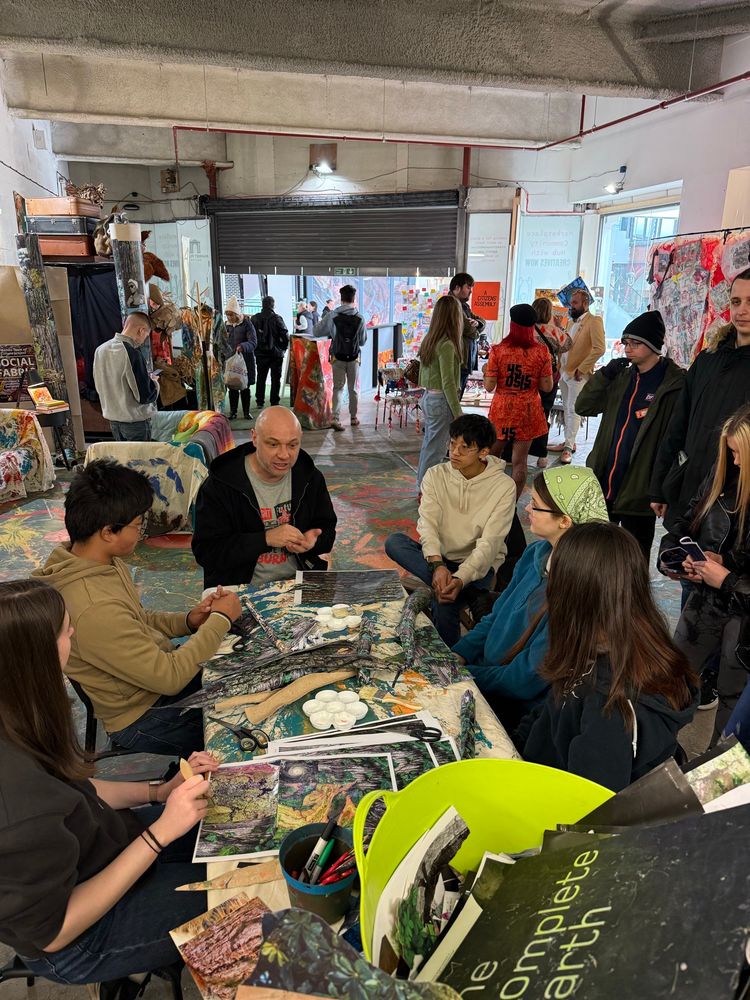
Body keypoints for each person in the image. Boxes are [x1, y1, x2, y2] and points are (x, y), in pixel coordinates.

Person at [0, 578, 216, 984]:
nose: (73, 633)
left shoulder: (20, 714)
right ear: (35, 655)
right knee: (249, 900)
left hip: (102, 847)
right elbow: (54, 932)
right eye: (65, 631)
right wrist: (160, 834)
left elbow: (76, 788)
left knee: (226, 825)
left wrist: (160, 791)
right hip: (79, 938)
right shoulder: (15, 802)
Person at [33, 461, 242, 757]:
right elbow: (169, 678)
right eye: (138, 524)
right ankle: (181, 776)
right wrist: (220, 619)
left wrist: (189, 620)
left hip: (153, 680)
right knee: (242, 728)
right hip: (143, 715)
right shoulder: (93, 606)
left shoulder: (96, 561)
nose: (142, 532)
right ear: (108, 531)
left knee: (245, 671)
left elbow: (137, 618)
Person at [519, 522, 698, 792]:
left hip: (559, 799)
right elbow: (549, 711)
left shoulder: (609, 706)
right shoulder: (615, 646)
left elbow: (587, 804)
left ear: (570, 594)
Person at [453, 466, 608, 733]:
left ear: (564, 521)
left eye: (535, 505)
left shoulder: (579, 590)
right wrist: (460, 653)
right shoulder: (536, 552)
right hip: (487, 677)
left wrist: (464, 675)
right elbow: (495, 616)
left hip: (516, 709)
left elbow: (523, 681)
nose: (526, 509)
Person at [385, 414, 517, 647]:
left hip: (479, 565)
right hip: (441, 558)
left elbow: (490, 543)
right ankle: (466, 593)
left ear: (484, 452)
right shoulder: (436, 475)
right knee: (394, 542)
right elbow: (428, 523)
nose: (454, 452)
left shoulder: (503, 486)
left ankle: (451, 655)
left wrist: (460, 578)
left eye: (465, 447)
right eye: (452, 443)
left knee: (444, 600)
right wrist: (437, 565)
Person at [659, 405, 750, 732]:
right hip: (705, 600)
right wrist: (674, 558)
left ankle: (721, 758)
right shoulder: (723, 473)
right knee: (672, 677)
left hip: (744, 615)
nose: (734, 462)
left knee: (733, 699)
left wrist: (728, 579)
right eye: (730, 452)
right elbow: (685, 522)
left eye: (739, 454)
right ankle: (652, 745)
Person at [576, 310, 685, 563]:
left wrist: (661, 489)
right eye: (626, 343)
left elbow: (676, 440)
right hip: (603, 483)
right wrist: (604, 376)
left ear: (653, 346)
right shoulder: (621, 377)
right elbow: (583, 407)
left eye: (635, 343)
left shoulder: (673, 386)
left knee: (634, 560)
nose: (628, 349)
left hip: (639, 490)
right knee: (596, 559)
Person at [192, 406, 337, 589]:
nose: (284, 455)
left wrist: (314, 541)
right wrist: (265, 539)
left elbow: (327, 531)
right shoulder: (220, 485)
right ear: (254, 438)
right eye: (273, 444)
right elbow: (207, 552)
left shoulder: (310, 478)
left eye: (292, 445)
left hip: (300, 582)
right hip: (240, 588)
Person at [650, 268, 750, 532]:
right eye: (736, 301)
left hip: (736, 506)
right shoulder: (708, 359)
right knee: (681, 555)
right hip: (688, 489)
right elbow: (678, 424)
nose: (742, 310)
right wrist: (660, 486)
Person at [483, 303, 553, 498]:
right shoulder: (541, 352)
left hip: (502, 410)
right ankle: (510, 504)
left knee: (491, 458)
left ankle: (488, 499)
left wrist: (486, 372)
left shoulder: (498, 350)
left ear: (512, 324)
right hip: (527, 411)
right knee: (520, 462)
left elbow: (489, 386)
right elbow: (547, 386)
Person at [548, 288, 606, 464]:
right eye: (570, 302)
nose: (571, 306)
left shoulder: (594, 321)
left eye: (575, 303)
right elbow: (567, 343)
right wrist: (559, 328)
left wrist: (583, 368)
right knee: (566, 408)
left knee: (573, 409)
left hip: (578, 374)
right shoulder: (571, 322)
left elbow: (600, 348)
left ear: (585, 304)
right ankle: (568, 442)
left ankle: (568, 447)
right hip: (565, 371)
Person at [416, 295, 464, 489]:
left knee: (429, 446)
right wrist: (458, 411)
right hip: (441, 401)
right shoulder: (447, 345)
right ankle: (425, 489)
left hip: (428, 397)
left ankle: (422, 485)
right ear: (454, 317)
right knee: (436, 450)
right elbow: (448, 382)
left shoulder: (430, 340)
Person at [93, 311, 158, 442]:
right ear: (141, 330)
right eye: (146, 336)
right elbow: (144, 396)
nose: (143, 341)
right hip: (135, 423)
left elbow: (99, 386)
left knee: (123, 455)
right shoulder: (132, 353)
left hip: (113, 421)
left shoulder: (100, 350)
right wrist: (154, 382)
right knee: (141, 456)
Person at [313, 284, 367, 432]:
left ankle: (335, 418)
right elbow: (363, 341)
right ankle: (353, 418)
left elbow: (316, 331)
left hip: (337, 357)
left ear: (341, 298)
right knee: (352, 389)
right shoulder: (360, 317)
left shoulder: (332, 315)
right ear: (354, 299)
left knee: (338, 388)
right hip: (354, 358)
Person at [528, 296, 571, 469]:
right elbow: (568, 344)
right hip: (549, 378)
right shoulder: (554, 331)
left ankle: (520, 449)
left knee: (525, 413)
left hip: (528, 377)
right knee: (543, 414)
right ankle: (541, 455)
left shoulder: (526, 329)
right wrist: (560, 326)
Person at [449, 272, 486, 397]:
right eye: (468, 287)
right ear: (457, 288)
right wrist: (476, 330)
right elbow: (468, 328)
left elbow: (481, 321)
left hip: (465, 359)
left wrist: (478, 323)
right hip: (457, 358)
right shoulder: (451, 304)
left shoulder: (464, 306)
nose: (471, 291)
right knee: (454, 396)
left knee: (457, 396)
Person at [251, 296, 290, 408]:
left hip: (260, 353)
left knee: (261, 377)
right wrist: (283, 348)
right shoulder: (277, 318)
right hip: (276, 354)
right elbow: (285, 335)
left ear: (262, 305)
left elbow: (251, 336)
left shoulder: (254, 318)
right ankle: (274, 401)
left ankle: (259, 401)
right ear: (273, 305)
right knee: (275, 378)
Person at [224, 295, 257, 420]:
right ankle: (233, 412)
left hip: (245, 361)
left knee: (245, 386)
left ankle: (246, 412)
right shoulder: (226, 325)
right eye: (228, 315)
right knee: (232, 386)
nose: (230, 318)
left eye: (231, 315)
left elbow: (253, 342)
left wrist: (242, 346)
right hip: (230, 360)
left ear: (237, 314)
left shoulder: (247, 324)